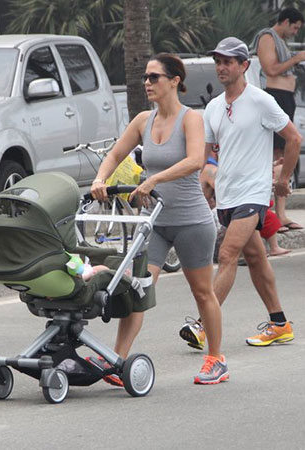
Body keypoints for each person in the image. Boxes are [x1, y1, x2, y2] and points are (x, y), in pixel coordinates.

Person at [90, 53, 226, 385]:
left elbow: (196, 160)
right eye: (145, 77)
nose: (147, 83)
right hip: (155, 223)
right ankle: (116, 360)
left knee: (202, 292)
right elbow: (115, 153)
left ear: (174, 81)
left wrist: (154, 179)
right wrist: (100, 179)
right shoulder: (142, 121)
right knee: (138, 288)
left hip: (192, 221)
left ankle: (216, 359)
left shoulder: (191, 118)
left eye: (154, 77)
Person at [188, 37, 301, 351]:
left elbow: (293, 139)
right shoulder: (213, 107)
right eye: (219, 61)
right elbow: (210, 156)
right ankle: (279, 324)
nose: (222, 67)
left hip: (253, 194)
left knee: (227, 254)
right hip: (227, 196)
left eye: (228, 62)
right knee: (255, 256)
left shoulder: (260, 100)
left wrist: (282, 182)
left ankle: (201, 326)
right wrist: (207, 186)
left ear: (244, 66)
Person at [255, 7, 305, 231]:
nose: (295, 32)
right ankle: (269, 213)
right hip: (275, 97)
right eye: (294, 27)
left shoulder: (281, 41)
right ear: (285, 21)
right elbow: (271, 69)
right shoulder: (267, 37)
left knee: (285, 156)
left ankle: (281, 214)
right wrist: (297, 58)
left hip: (286, 99)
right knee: (275, 157)